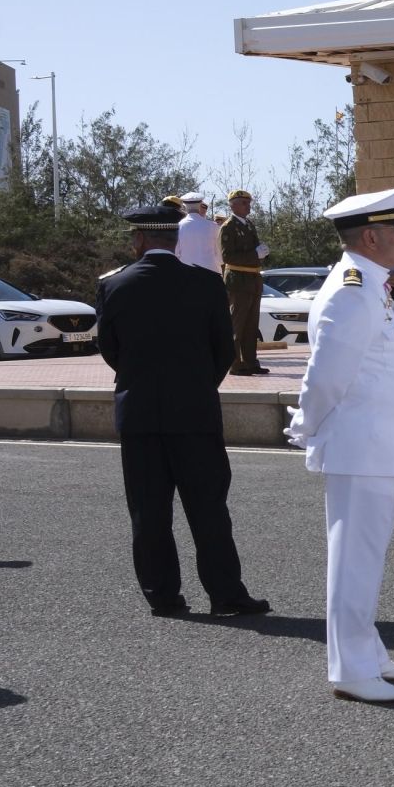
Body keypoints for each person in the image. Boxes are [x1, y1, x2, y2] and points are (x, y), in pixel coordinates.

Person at [285, 187, 394, 703]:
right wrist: (307, 425)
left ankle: (367, 651)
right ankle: (350, 669)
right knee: (355, 558)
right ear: (371, 236)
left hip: (380, 445)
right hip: (362, 447)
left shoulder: (370, 285)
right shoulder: (352, 291)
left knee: (366, 557)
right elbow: (326, 374)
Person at [96, 204, 269, 620]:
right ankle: (226, 595)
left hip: (139, 416)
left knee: (149, 510)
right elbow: (224, 351)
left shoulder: (115, 286)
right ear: (174, 240)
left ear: (139, 240)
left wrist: (142, 383)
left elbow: (110, 350)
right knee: (209, 508)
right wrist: (196, 387)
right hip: (195, 414)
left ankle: (163, 596)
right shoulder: (206, 283)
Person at [220, 189, 269, 376]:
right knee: (237, 325)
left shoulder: (248, 225)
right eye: (244, 203)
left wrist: (261, 252)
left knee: (251, 325)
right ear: (233, 204)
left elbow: (253, 250)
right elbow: (228, 256)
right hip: (238, 280)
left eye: (248, 203)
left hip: (252, 279)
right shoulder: (228, 227)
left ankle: (250, 361)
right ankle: (235, 363)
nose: (248, 206)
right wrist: (254, 255)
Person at [173, 192, 220, 272]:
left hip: (187, 270)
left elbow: (176, 253)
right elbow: (219, 253)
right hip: (211, 271)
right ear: (200, 204)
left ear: (184, 206)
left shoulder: (178, 226)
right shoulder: (213, 226)